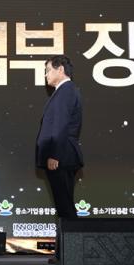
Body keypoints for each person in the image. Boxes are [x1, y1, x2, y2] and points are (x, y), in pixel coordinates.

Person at [36, 55, 84, 220]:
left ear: (61, 69)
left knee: (65, 206)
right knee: (64, 204)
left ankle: (73, 236)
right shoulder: (64, 91)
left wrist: (54, 154)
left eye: (48, 70)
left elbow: (61, 124)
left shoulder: (66, 90)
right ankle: (70, 236)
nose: (46, 75)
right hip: (63, 156)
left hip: (61, 157)